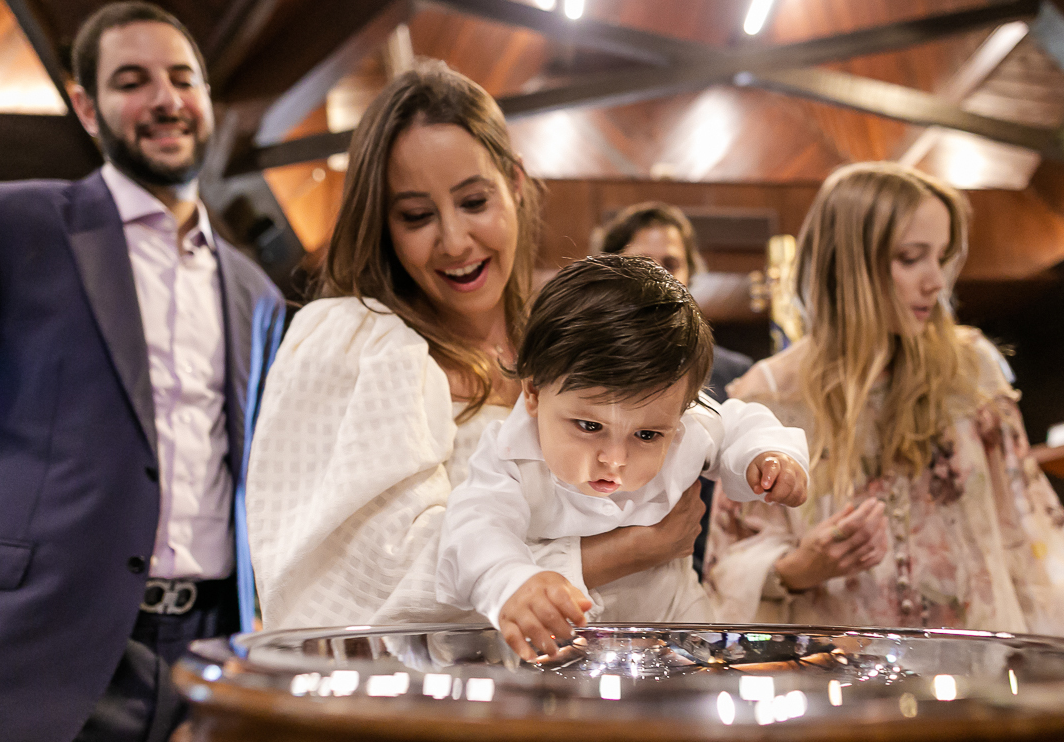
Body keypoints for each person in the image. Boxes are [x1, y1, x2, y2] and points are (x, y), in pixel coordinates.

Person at [0, 3, 284, 742]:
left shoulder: (255, 291)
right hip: (20, 654)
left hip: (198, 668)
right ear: (87, 107)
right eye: (131, 81)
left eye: (183, 78)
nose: (164, 99)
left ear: (207, 98)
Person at [246, 62, 707, 632]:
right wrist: (620, 554)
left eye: (473, 202)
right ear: (383, 225)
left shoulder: (561, 341)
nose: (455, 241)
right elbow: (366, 580)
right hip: (443, 707)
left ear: (514, 183)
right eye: (417, 216)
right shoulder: (357, 343)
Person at [702, 162, 1064, 635]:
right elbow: (726, 563)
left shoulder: (971, 372)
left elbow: (1032, 530)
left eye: (941, 256)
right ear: (849, 264)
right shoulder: (771, 392)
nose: (937, 281)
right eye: (911, 258)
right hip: (842, 679)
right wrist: (802, 568)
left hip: (977, 671)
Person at [436, 256, 809, 660]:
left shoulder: (685, 427)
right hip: (561, 639)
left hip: (673, 618)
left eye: (646, 435)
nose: (614, 459)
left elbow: (738, 422)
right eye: (589, 427)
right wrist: (510, 581)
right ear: (534, 392)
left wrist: (769, 455)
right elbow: (473, 528)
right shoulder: (509, 458)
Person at [595, 201, 753, 402]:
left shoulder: (736, 374)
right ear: (609, 273)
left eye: (671, 265)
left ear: (690, 274)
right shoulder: (579, 362)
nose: (659, 276)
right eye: (642, 263)